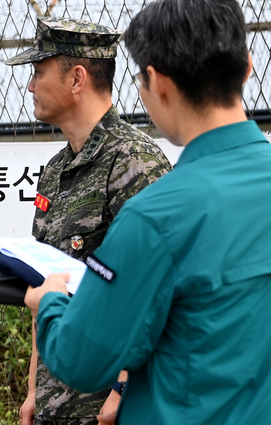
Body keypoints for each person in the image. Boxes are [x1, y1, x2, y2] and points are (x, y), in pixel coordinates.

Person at [25, 0, 271, 424]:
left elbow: (81, 359)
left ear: (157, 83)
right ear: (248, 67)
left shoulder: (156, 215)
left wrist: (47, 304)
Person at [5, 16, 171, 425]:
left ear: (76, 79)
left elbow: (159, 288)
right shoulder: (55, 170)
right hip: (55, 404)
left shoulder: (135, 163)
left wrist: (123, 388)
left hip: (105, 408)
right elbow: (46, 285)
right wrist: (33, 391)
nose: (30, 85)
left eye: (38, 72)